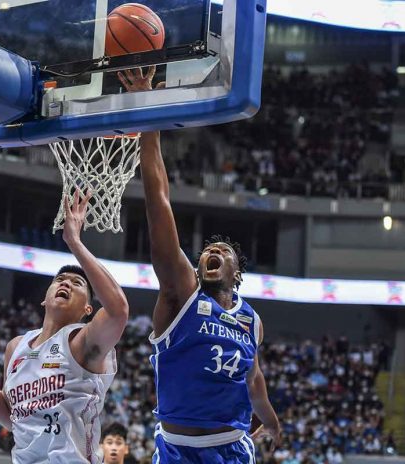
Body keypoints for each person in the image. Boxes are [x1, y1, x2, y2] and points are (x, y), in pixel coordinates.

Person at [118, 68, 281, 463]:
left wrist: (272, 422)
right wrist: (149, 123)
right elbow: (160, 202)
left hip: (231, 449)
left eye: (223, 251)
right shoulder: (181, 294)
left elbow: (254, 379)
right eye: (208, 249)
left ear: (236, 274)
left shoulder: (252, 321)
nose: (213, 252)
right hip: (177, 448)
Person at [0, 190, 129, 464]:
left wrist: (74, 242)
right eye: (60, 279)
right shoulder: (16, 347)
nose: (66, 283)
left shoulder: (82, 342)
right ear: (45, 298)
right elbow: (12, 416)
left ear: (88, 309)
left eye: (77, 284)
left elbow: (118, 310)